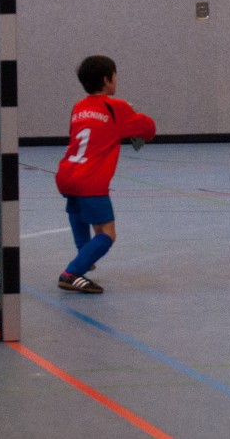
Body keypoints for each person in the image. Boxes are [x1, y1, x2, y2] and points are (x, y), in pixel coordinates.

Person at [54, 55, 156, 293]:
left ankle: (85, 257)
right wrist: (132, 112)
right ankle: (71, 273)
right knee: (107, 234)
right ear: (107, 80)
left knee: (78, 214)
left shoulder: (79, 107)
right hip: (91, 180)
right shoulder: (116, 107)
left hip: (67, 173)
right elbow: (149, 130)